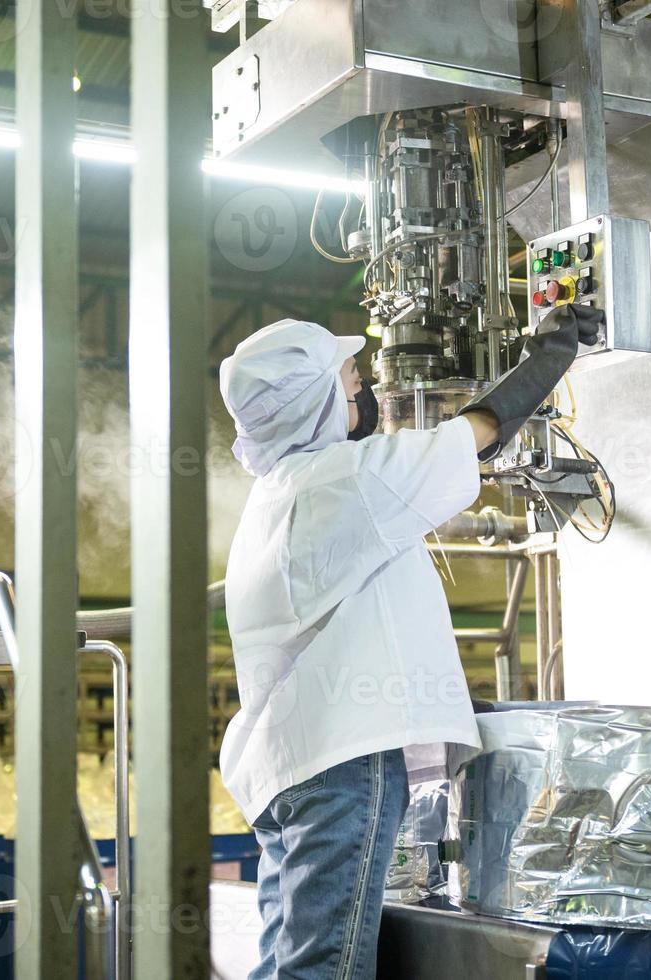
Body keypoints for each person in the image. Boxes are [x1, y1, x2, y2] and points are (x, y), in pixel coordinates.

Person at [218, 306, 603, 980]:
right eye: (349, 379)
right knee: (326, 970)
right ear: (313, 402)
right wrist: (550, 355)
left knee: (292, 962)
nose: (361, 389)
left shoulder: (276, 494)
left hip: (288, 766)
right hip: (341, 765)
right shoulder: (346, 479)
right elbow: (477, 434)